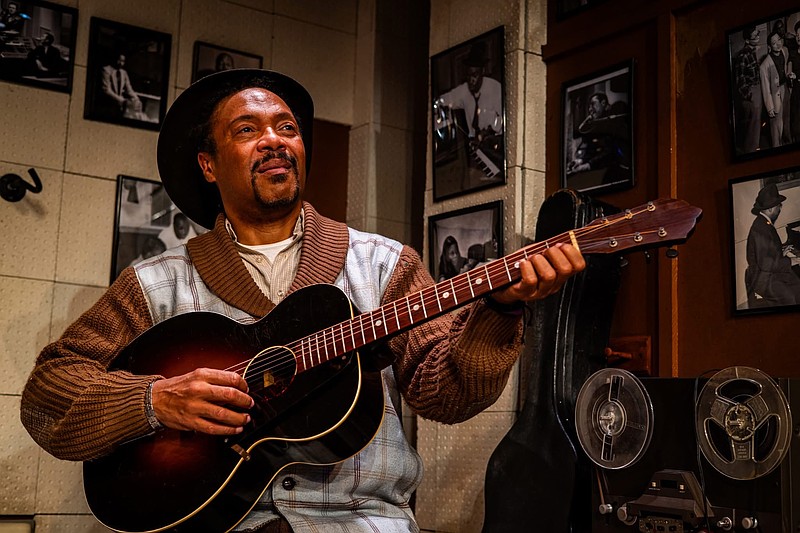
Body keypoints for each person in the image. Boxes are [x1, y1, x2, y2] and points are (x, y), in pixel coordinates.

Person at [20, 69, 585, 533]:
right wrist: (155, 399)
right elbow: (47, 396)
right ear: (209, 165)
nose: (274, 141)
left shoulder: (385, 265)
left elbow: (449, 396)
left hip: (362, 523)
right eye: (247, 129)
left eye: (286, 128)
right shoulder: (153, 284)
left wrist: (501, 311)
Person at [435, 42, 504, 179]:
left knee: (494, 179)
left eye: (474, 75)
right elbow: (443, 100)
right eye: (468, 76)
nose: (471, 80)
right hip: (474, 148)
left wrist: (486, 134)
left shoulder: (495, 89)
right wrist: (438, 105)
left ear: (482, 72)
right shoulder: (463, 91)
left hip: (494, 144)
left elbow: (502, 121)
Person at [745, 183, 800, 308]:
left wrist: (781, 252)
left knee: (797, 286)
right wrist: (791, 260)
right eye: (778, 206)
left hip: (767, 272)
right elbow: (765, 264)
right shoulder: (761, 228)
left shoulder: (764, 223)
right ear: (770, 209)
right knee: (789, 298)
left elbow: (767, 251)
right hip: (762, 278)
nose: (780, 209)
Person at [566, 92, 630, 184]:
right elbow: (595, 148)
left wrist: (588, 165)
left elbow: (609, 151)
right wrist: (581, 160)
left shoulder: (614, 119)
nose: (590, 109)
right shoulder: (598, 123)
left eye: (593, 104)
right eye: (589, 106)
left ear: (603, 103)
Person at [759, 30, 796, 148]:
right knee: (776, 126)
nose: (778, 44)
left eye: (779, 40)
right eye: (774, 43)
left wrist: (789, 74)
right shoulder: (764, 65)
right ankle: (777, 148)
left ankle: (788, 144)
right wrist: (769, 107)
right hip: (774, 95)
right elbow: (765, 88)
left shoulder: (784, 51)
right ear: (769, 47)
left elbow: (787, 64)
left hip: (785, 89)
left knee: (787, 119)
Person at [732, 25, 764, 153]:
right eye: (755, 36)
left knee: (755, 130)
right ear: (747, 40)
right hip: (751, 96)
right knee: (752, 132)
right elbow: (740, 81)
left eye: (758, 35)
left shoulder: (752, 52)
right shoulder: (743, 55)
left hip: (756, 92)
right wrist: (750, 96)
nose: (757, 37)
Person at [100, 52, 141, 118]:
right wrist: (121, 100)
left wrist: (136, 98)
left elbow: (129, 89)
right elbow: (106, 90)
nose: (121, 63)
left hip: (120, 107)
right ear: (114, 58)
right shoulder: (106, 70)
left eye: (123, 61)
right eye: (119, 60)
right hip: (108, 105)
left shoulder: (124, 73)